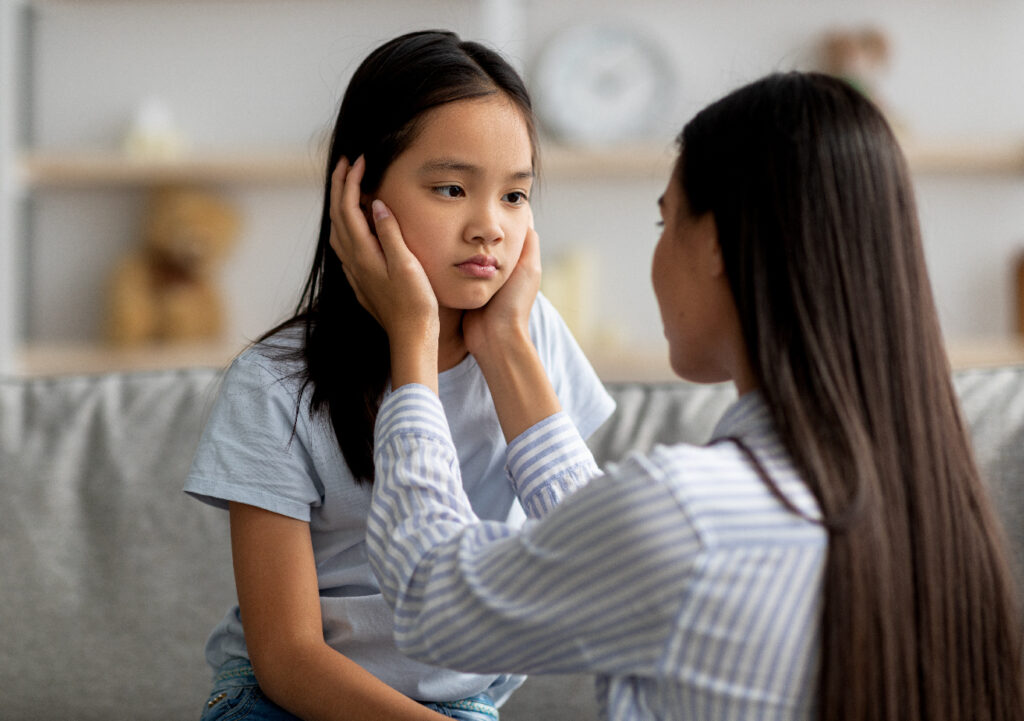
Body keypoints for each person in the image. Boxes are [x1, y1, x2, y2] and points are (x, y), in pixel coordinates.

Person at [333, 72, 1024, 720]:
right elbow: (619, 552)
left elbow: (432, 599)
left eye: (666, 223)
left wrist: (413, 342)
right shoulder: (929, 507)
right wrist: (508, 343)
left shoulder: (686, 512)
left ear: (717, 241)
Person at [183, 30, 615, 721]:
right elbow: (288, 656)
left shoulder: (539, 345)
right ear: (357, 193)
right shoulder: (274, 384)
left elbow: (602, 568)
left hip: (458, 701)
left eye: (514, 196)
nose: (490, 227)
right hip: (287, 701)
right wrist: (411, 334)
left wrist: (505, 343)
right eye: (452, 188)